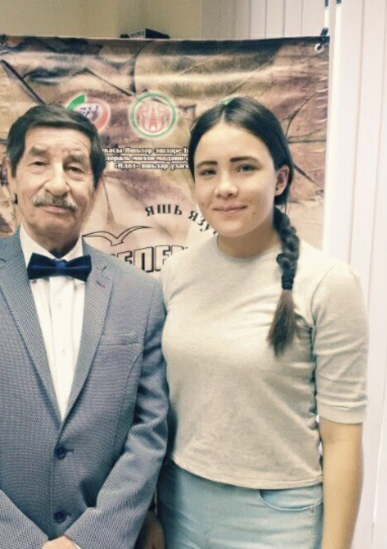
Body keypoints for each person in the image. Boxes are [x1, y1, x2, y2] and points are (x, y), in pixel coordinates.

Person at [0, 104, 168, 549]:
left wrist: (90, 539)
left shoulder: (141, 294)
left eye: (75, 167)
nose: (57, 183)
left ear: (96, 186)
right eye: (39, 163)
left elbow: (149, 433)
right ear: (9, 176)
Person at [138, 96, 368, 549]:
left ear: (280, 178)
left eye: (244, 168)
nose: (225, 187)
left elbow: (342, 439)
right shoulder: (176, 274)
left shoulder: (328, 284)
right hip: (180, 501)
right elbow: (155, 406)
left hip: (277, 517)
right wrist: (149, 511)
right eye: (208, 172)